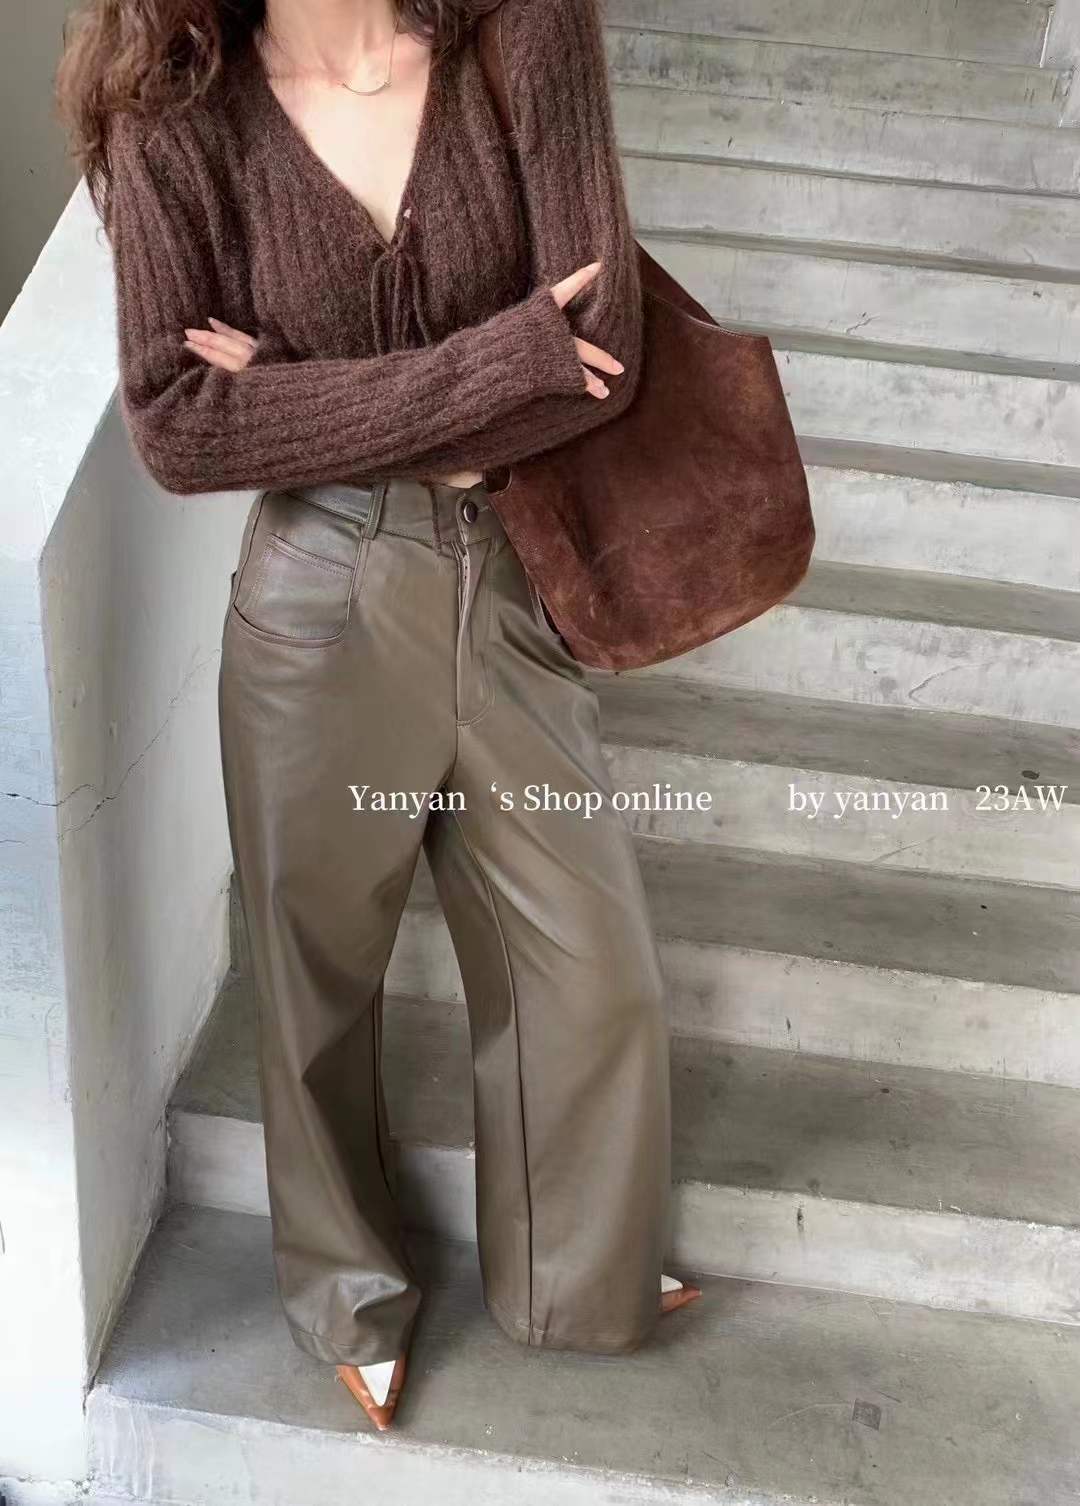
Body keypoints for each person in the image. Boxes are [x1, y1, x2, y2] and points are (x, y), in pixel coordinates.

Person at [58, 0, 701, 1432]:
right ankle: (347, 1294)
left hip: (512, 582)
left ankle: (576, 1272)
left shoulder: (525, 32)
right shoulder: (174, 120)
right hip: (319, 596)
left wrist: (299, 397)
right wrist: (505, 359)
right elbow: (180, 426)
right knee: (317, 982)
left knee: (591, 959)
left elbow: (604, 348)